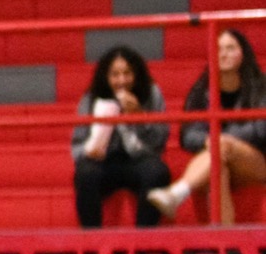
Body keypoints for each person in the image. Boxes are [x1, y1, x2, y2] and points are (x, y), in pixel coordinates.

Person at [150, 27, 266, 225]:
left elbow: (261, 129)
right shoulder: (202, 90)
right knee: (217, 167)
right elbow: (187, 135)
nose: (223, 54)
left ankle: (178, 192)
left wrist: (224, 140)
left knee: (222, 146)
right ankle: (225, 238)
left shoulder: (261, 87)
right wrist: (208, 140)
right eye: (218, 48)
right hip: (217, 156)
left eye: (230, 48)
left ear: (243, 53)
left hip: (257, 160)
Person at [74, 46, 173, 229]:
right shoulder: (91, 97)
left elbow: (160, 140)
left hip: (141, 159)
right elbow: (76, 147)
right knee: (85, 173)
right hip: (104, 162)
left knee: (158, 173)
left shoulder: (151, 93)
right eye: (115, 75)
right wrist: (90, 149)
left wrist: (139, 116)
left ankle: (144, 239)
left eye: (127, 73)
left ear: (136, 74)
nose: (122, 81)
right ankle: (91, 239)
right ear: (106, 77)